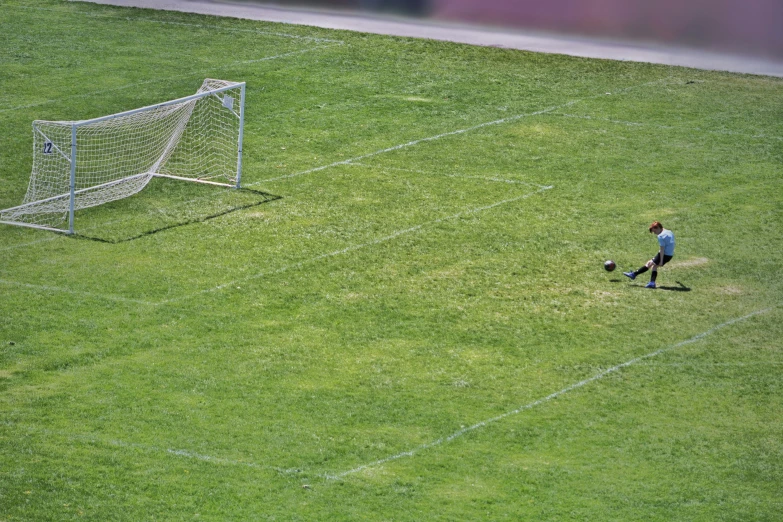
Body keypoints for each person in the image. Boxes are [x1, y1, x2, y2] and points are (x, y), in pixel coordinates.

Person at [623, 221, 675, 288]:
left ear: (658, 228)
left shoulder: (661, 236)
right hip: (670, 254)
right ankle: (651, 283)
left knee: (650, 263)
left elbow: (662, 249)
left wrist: (661, 261)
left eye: (655, 231)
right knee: (654, 266)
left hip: (665, 254)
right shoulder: (669, 232)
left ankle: (634, 275)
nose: (655, 233)